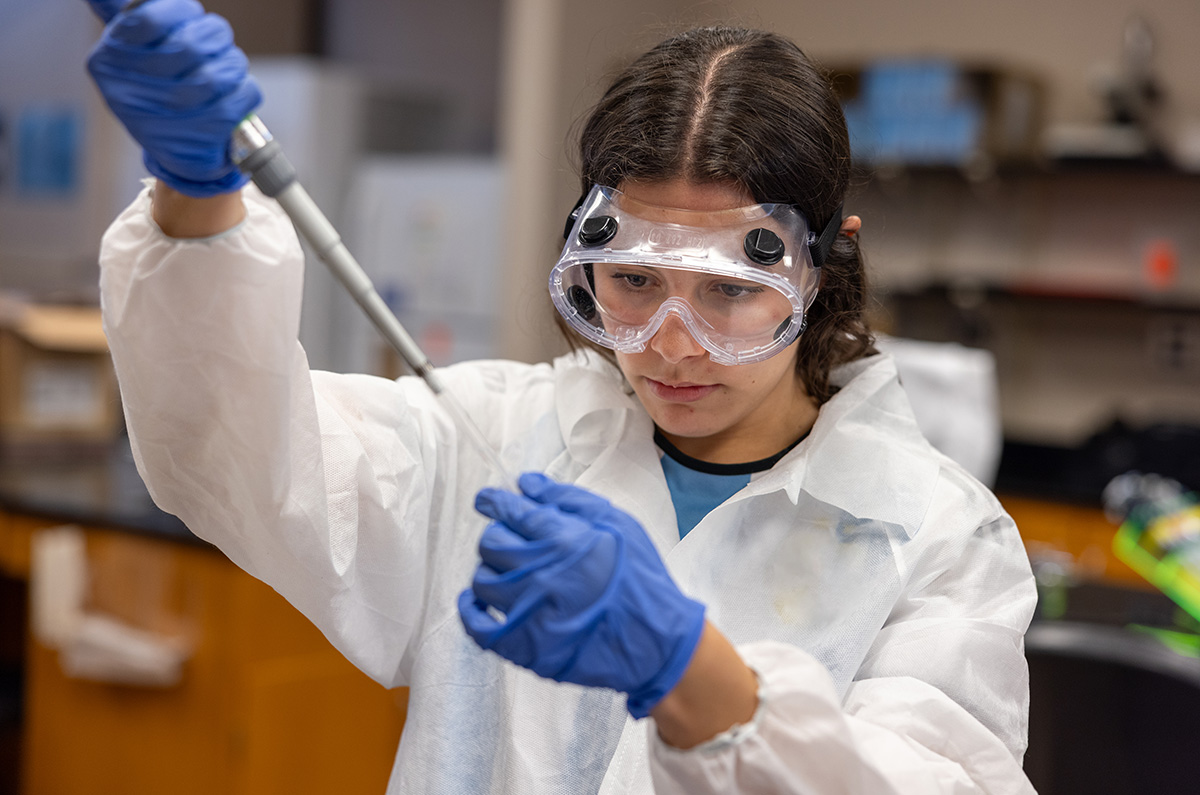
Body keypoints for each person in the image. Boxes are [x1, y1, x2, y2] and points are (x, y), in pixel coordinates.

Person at [83, 1, 1038, 792]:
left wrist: (690, 673)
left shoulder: (938, 540)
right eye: (630, 283)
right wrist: (195, 198)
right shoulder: (492, 442)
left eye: (731, 293)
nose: (669, 344)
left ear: (823, 267)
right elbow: (237, 455)